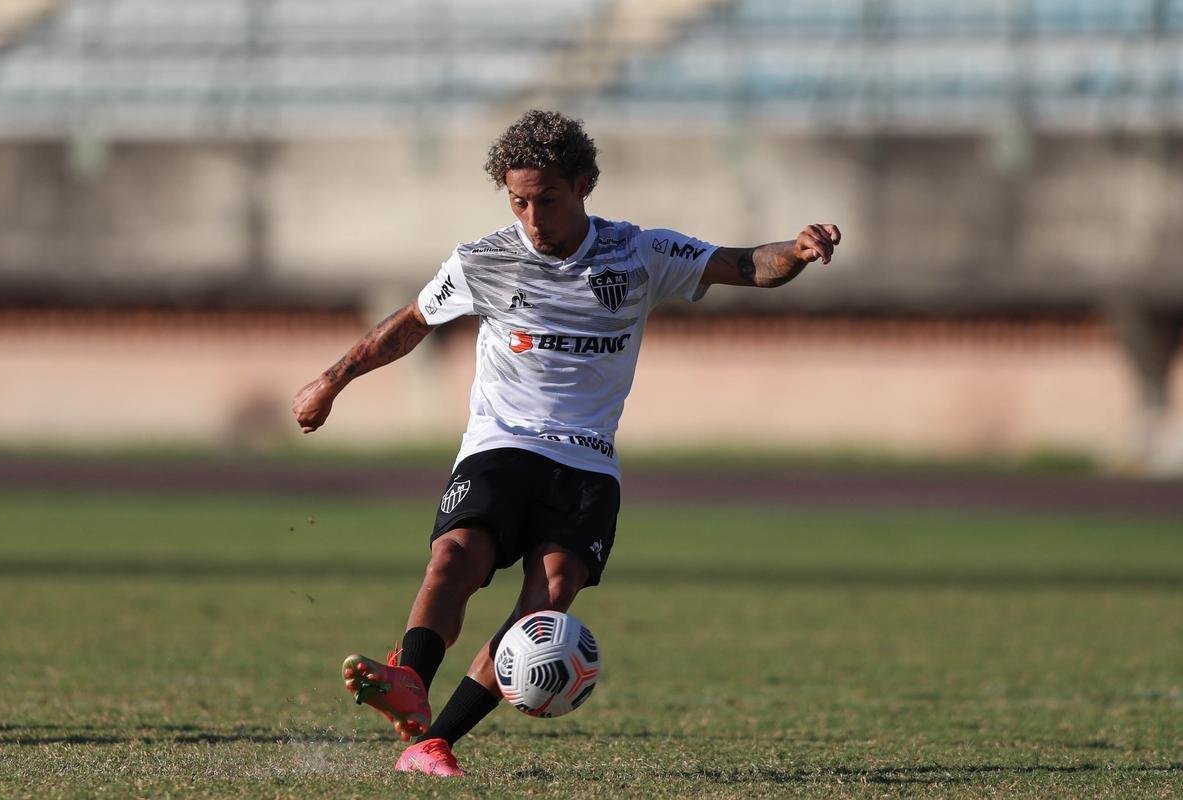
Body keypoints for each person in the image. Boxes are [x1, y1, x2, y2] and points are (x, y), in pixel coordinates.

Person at [291, 109, 842, 778]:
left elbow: (746, 265)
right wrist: (331, 380)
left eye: (546, 199)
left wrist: (797, 251)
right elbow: (409, 324)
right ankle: (408, 676)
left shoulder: (637, 254)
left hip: (586, 462)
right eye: (518, 200)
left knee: (546, 603)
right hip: (501, 442)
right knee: (454, 558)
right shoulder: (483, 261)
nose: (532, 216)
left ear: (583, 185)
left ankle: (433, 743)